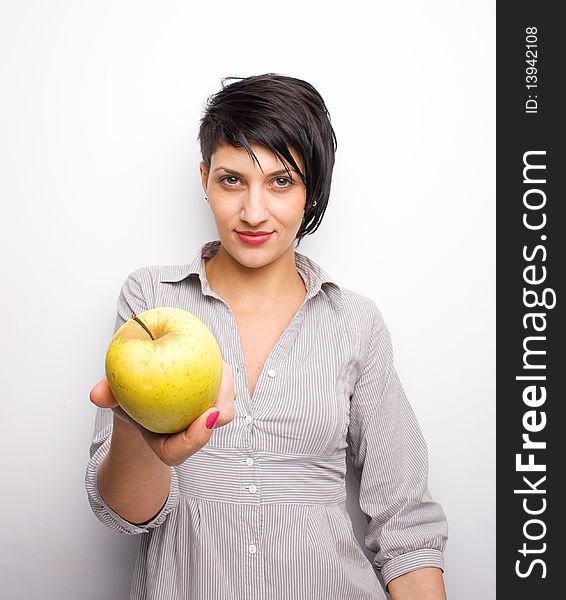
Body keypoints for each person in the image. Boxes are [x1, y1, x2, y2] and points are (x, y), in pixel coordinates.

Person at [87, 73, 449, 600]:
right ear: (205, 179)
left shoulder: (355, 322)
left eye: (282, 181)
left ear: (312, 188)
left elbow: (405, 525)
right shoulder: (151, 301)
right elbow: (125, 515)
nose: (254, 212)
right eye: (232, 180)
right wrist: (139, 435)